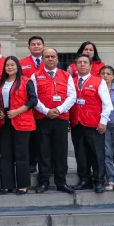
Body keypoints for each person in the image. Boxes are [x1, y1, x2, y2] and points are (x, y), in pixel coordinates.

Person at [32, 48, 76, 194]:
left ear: (57, 59)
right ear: (42, 59)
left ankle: (61, 182)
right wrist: (46, 111)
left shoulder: (66, 75)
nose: (50, 59)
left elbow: (72, 96)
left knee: (61, 151)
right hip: (42, 118)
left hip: (61, 119)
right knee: (43, 151)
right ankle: (43, 182)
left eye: (53, 56)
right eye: (47, 57)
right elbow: (34, 97)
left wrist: (59, 110)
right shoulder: (35, 76)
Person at [72, 54, 113, 193]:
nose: (82, 64)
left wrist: (103, 122)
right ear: (76, 65)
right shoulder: (71, 81)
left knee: (97, 154)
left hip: (94, 124)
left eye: (85, 62)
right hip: (76, 123)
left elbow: (107, 104)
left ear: (90, 66)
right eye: (79, 62)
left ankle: (99, 181)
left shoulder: (98, 81)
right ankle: (85, 180)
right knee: (80, 154)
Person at [0, 56, 38, 195]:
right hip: (5, 121)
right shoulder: (1, 82)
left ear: (17, 66)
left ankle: (23, 184)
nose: (10, 67)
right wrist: (0, 112)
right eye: (7, 65)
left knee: (21, 153)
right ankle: (7, 184)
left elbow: (33, 100)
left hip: (21, 119)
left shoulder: (26, 81)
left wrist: (17, 111)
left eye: (12, 65)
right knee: (6, 153)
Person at [20, 36, 44, 174]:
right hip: (27, 107)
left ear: (43, 46)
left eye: (38, 44)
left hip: (44, 107)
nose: (36, 46)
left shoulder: (49, 61)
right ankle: (31, 163)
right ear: (29, 47)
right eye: (33, 44)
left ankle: (45, 163)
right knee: (30, 138)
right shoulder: (22, 62)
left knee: (43, 138)